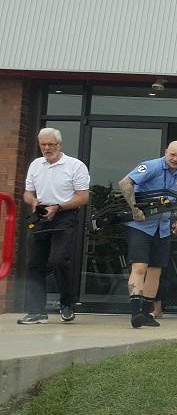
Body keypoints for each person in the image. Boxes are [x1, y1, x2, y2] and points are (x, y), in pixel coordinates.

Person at [118, 141, 177, 328]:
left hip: (163, 228)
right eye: (172, 154)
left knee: (155, 270)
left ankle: (146, 313)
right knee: (139, 267)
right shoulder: (151, 166)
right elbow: (125, 183)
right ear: (166, 152)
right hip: (141, 225)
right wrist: (134, 209)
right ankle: (135, 312)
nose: (175, 159)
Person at [17, 128, 90, 324]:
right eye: (43, 144)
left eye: (51, 144)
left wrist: (58, 207)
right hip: (40, 215)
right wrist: (34, 202)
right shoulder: (35, 165)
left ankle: (67, 304)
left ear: (60, 145)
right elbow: (27, 193)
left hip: (64, 214)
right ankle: (36, 311)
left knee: (59, 260)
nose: (47, 148)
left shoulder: (75, 166)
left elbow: (83, 197)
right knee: (34, 263)